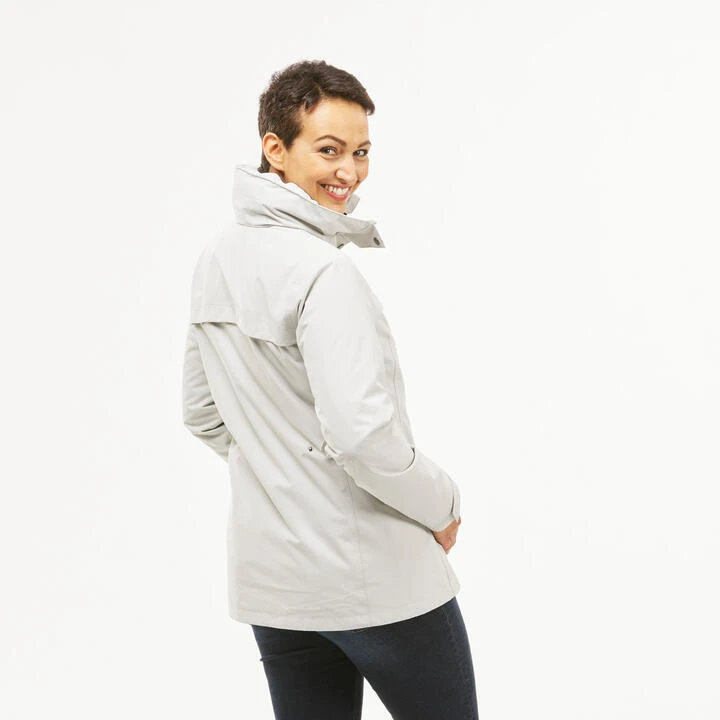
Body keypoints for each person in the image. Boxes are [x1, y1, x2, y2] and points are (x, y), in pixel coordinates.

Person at [182, 59, 479, 719]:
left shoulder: (216, 259)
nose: (349, 170)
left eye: (361, 151)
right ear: (275, 149)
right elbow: (363, 437)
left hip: (276, 585)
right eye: (329, 150)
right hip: (376, 580)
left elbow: (202, 413)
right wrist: (443, 505)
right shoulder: (323, 273)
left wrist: (283, 476)